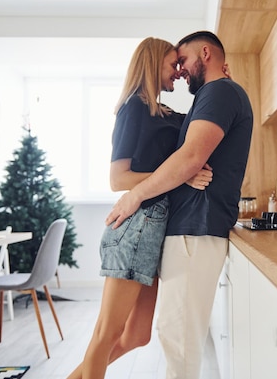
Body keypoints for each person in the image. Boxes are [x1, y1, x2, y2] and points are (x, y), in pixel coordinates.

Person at [105, 30, 253, 379]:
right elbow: (181, 160)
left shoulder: (219, 91)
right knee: (174, 339)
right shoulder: (213, 94)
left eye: (182, 60)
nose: (181, 70)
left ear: (205, 53)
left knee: (178, 341)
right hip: (188, 228)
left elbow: (188, 158)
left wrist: (135, 194)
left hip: (194, 228)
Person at [67, 37, 213, 379]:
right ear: (151, 63)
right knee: (106, 335)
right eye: (171, 64)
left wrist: (219, 81)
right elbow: (118, 179)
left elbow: (197, 124)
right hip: (135, 227)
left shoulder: (161, 112)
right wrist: (179, 177)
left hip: (153, 230)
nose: (178, 72)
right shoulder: (133, 108)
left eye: (180, 65)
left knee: (137, 336)